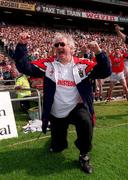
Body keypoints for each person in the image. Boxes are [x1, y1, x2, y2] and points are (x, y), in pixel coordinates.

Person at [14, 32, 111, 174]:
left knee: (86, 121)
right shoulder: (48, 64)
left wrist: (99, 53)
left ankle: (83, 155)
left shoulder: (82, 65)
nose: (59, 47)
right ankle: (58, 142)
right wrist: (22, 45)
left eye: (62, 44)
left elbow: (105, 71)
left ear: (72, 48)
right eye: (56, 45)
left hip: (76, 107)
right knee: (58, 147)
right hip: (56, 111)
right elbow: (24, 67)